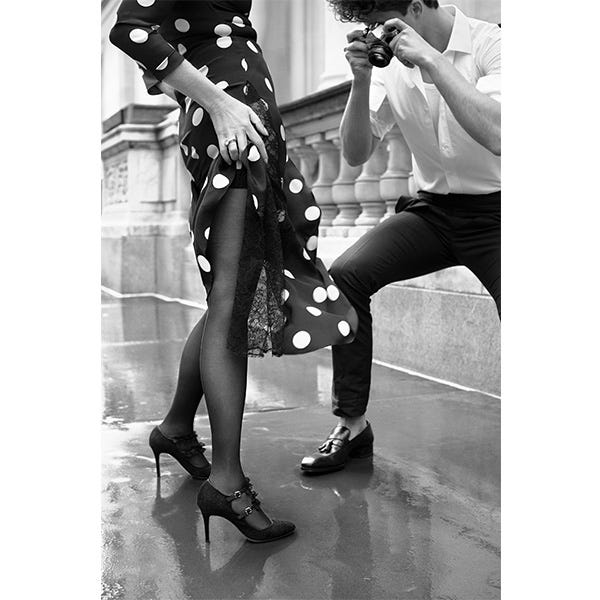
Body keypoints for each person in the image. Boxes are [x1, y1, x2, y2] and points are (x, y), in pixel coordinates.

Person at [109, 0, 358, 543]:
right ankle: (226, 481)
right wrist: (218, 102)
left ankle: (177, 428)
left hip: (243, 121)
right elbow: (130, 30)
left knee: (232, 291)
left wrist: (204, 95)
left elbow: (168, 46)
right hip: (233, 127)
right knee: (234, 298)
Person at [301, 0, 500, 474]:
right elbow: (355, 154)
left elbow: (499, 134)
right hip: (433, 213)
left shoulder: (492, 44)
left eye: (382, 23)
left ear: (414, 6)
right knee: (347, 275)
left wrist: (431, 59)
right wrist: (361, 80)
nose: (377, 35)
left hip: (502, 212)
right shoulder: (390, 64)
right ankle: (351, 425)